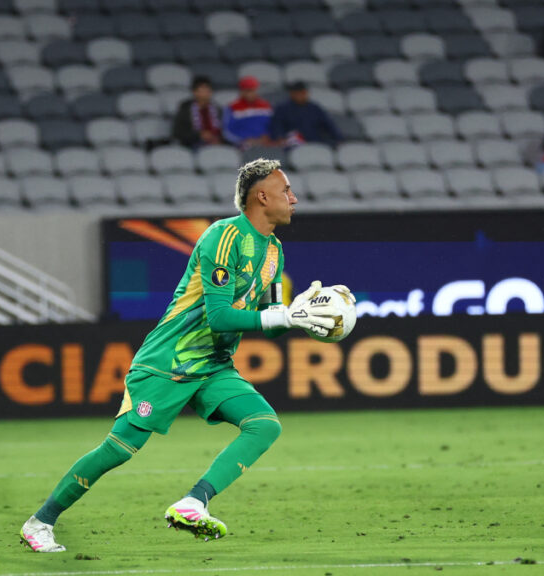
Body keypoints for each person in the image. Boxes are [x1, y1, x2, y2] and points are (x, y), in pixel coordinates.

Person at [20, 159, 352, 553]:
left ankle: (193, 503)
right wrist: (282, 316)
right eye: (286, 191)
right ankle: (40, 521)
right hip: (169, 360)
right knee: (119, 449)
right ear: (262, 197)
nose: (294, 199)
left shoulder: (274, 252)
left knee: (264, 425)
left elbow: (268, 321)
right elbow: (220, 316)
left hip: (213, 365)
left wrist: (301, 317)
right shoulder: (224, 237)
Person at [269, 81, 343, 148]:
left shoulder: (315, 108)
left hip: (315, 141)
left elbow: (329, 124)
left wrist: (339, 138)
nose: (301, 95)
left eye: (303, 92)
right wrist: (279, 137)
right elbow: (277, 126)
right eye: (298, 93)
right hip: (293, 143)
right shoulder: (282, 108)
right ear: (292, 94)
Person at [172, 76, 223, 149]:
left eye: (208, 90)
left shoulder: (217, 109)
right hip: (193, 145)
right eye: (203, 90)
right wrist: (199, 135)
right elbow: (178, 132)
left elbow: (223, 130)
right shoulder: (185, 110)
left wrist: (217, 139)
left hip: (215, 144)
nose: (206, 93)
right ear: (195, 92)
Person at [223, 76, 273, 149]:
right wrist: (243, 140)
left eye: (252, 90)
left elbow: (273, 125)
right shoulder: (232, 107)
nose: (250, 94)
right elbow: (227, 131)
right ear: (241, 91)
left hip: (265, 143)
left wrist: (268, 136)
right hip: (241, 145)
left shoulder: (266, 105)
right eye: (247, 91)